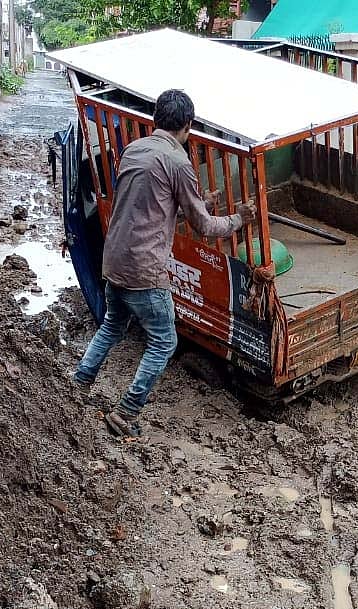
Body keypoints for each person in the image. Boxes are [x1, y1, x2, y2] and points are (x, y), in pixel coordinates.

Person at [73, 89, 256, 437]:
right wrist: (238, 219)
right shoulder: (178, 162)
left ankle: (80, 380)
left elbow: (153, 206)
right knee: (164, 342)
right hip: (145, 270)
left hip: (115, 261)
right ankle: (127, 412)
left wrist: (200, 201)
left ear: (156, 119)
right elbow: (203, 226)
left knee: (113, 324)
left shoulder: (133, 150)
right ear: (188, 125)